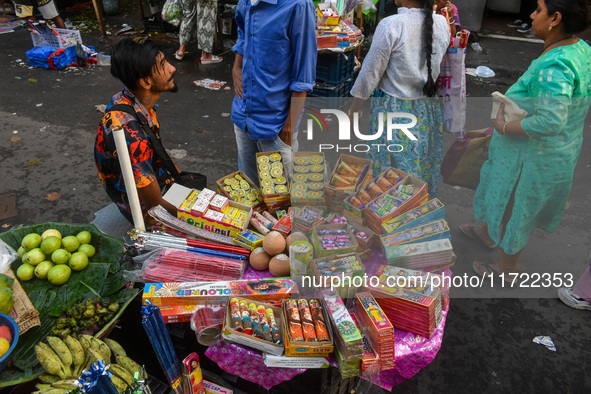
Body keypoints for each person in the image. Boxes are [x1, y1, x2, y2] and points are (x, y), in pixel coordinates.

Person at [462, 0, 591, 281]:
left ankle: (506, 270)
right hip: (550, 151)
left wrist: (505, 127)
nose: (531, 16)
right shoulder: (578, 49)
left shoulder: (556, 66)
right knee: (507, 196)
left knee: (519, 208)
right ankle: (487, 233)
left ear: (555, 18)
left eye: (538, 10)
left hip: (532, 157)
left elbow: (550, 121)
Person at [348, 0, 450, 196]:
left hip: (392, 109)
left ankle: (387, 216)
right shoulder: (442, 23)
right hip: (427, 107)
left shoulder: (392, 24)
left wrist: (354, 108)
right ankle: (414, 211)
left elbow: (370, 75)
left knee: (390, 172)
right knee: (420, 162)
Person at [94, 37, 181, 225]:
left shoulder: (127, 98)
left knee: (202, 189)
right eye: (164, 65)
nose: (172, 69)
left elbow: (158, 154)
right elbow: (154, 204)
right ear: (146, 82)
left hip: (158, 179)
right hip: (145, 209)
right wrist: (199, 214)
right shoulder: (133, 136)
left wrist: (188, 184)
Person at [231, 0, 317, 185]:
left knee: (283, 203)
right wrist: (236, 66)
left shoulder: (299, 5)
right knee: (251, 195)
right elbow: (243, 32)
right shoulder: (245, 2)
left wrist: (289, 129)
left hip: (276, 127)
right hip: (243, 117)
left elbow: (304, 74)